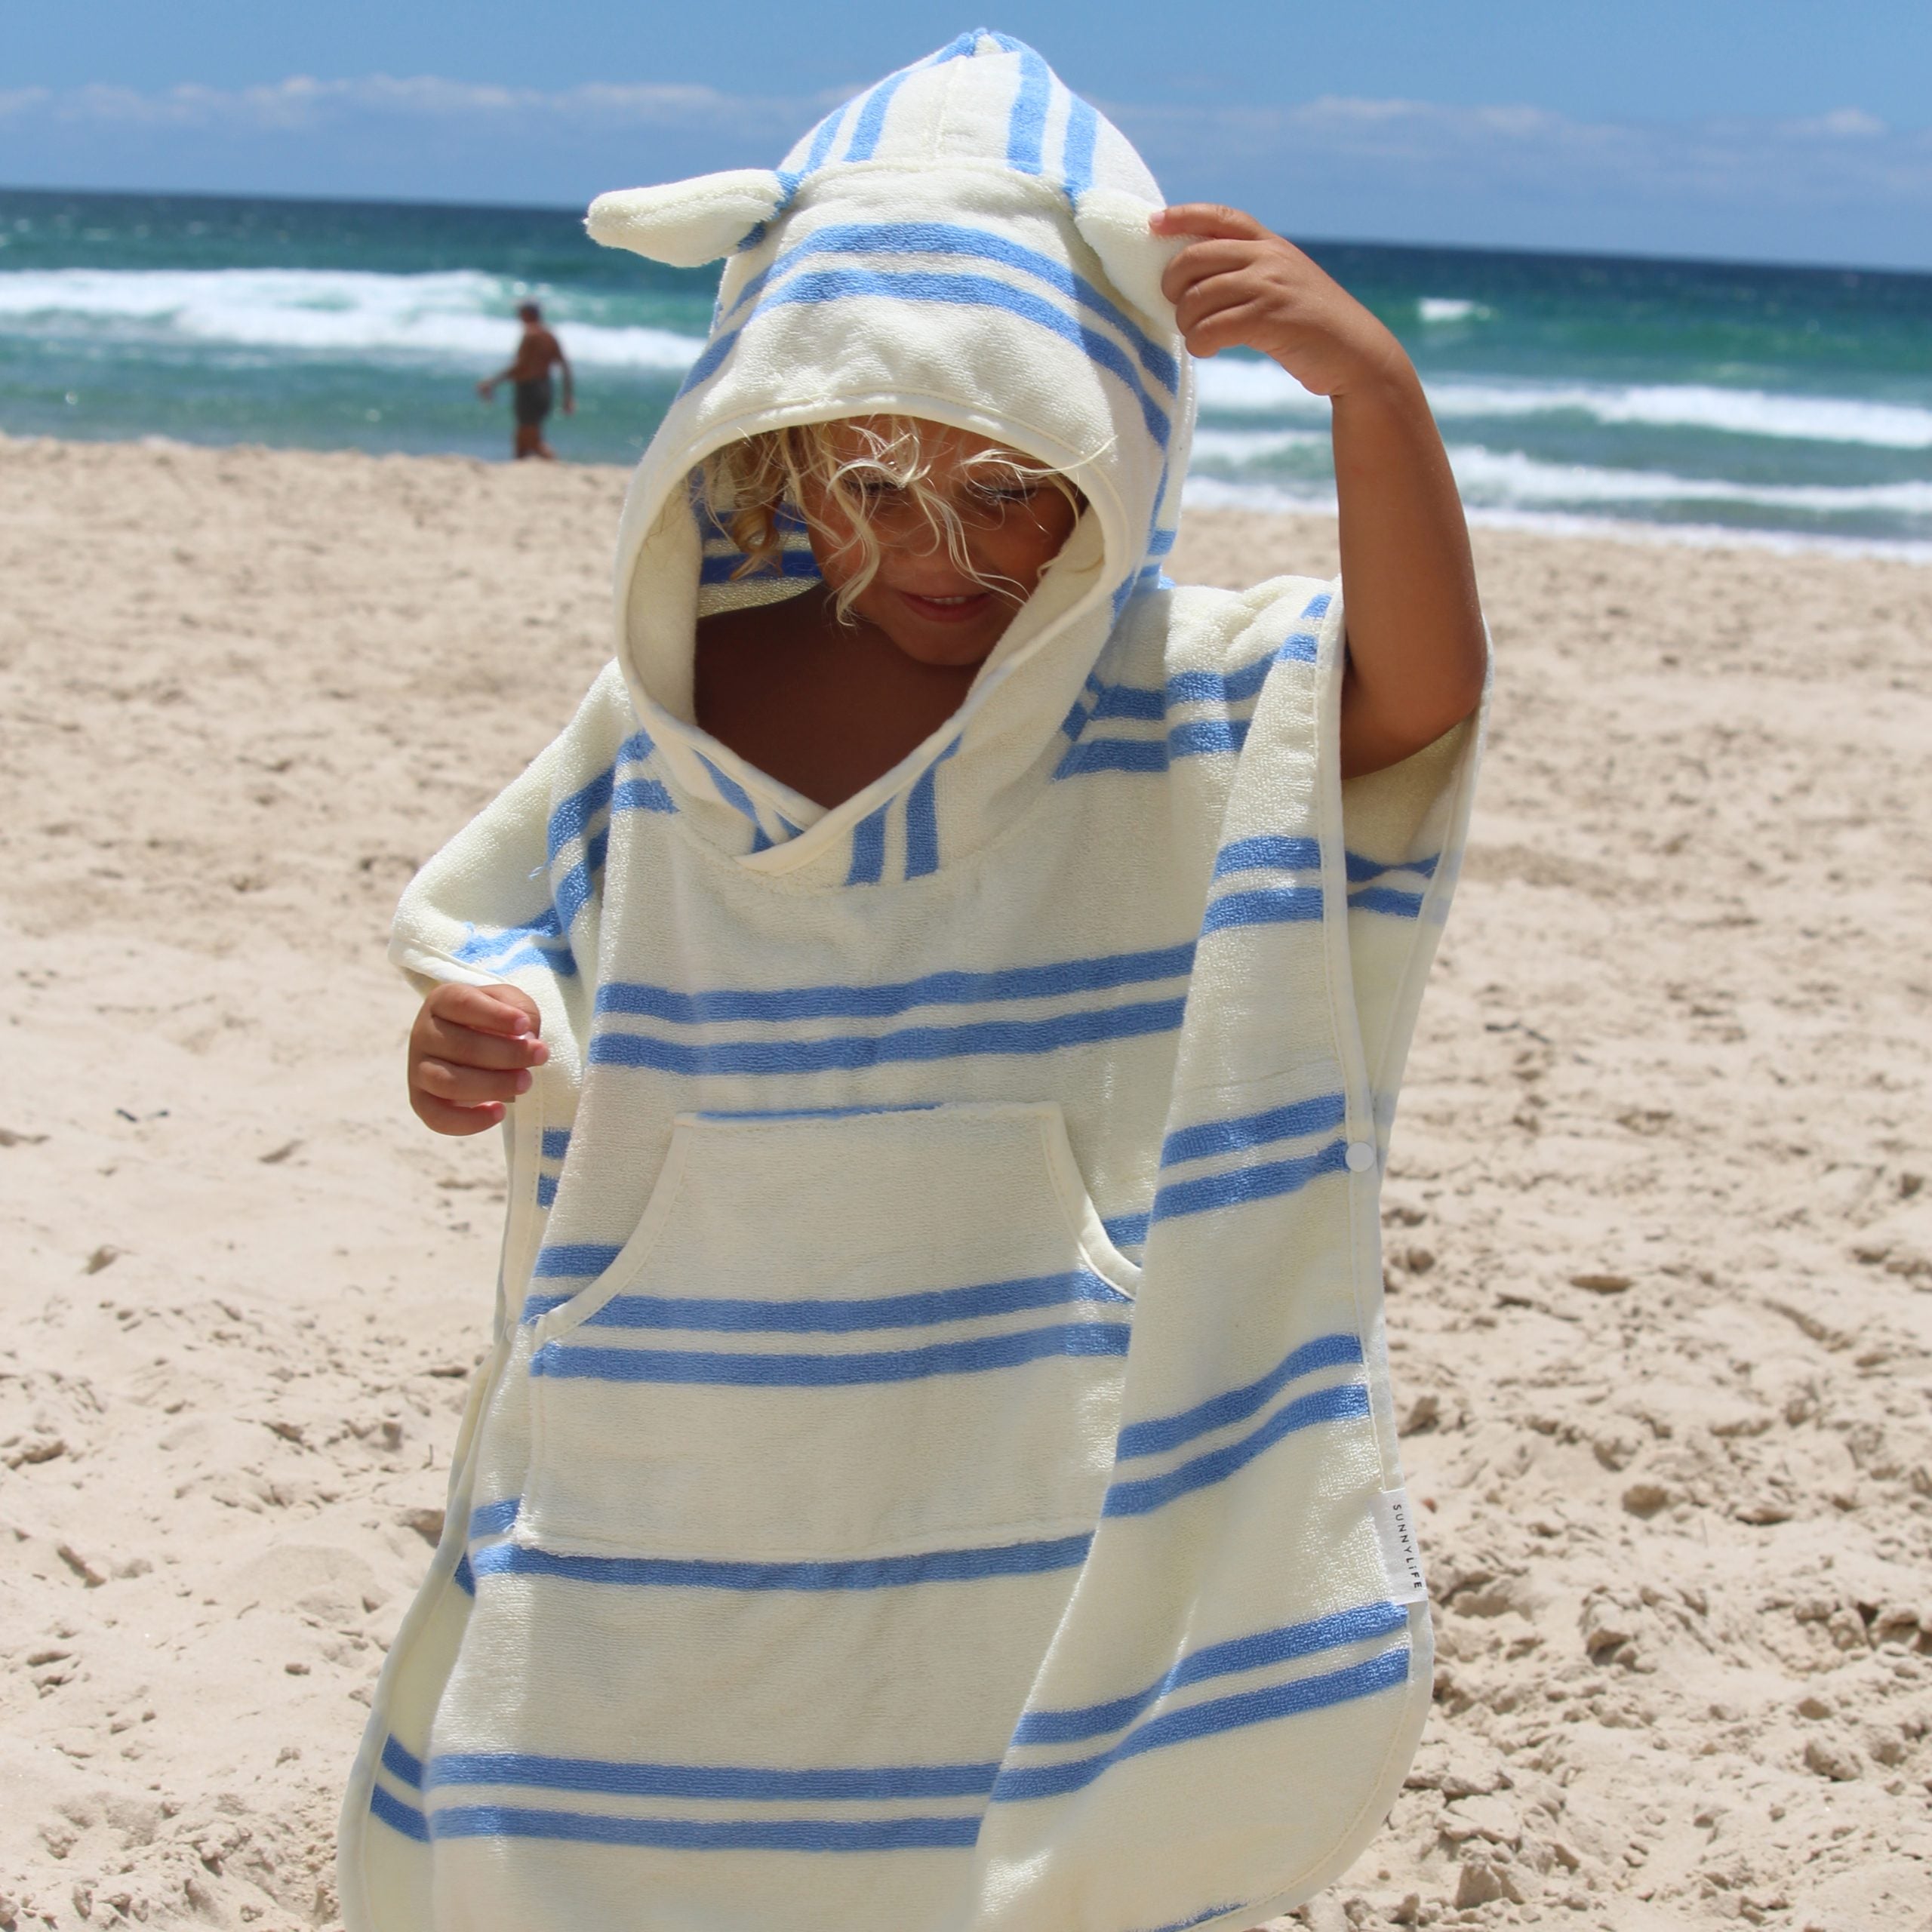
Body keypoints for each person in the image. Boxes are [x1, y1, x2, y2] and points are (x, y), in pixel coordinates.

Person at [341, 34, 1484, 1932]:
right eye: (877, 483)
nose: (946, 551)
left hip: (1013, 1395)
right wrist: (468, 1043)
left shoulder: (1167, 693)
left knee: (972, 1788)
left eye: (1016, 490)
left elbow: (1411, 702)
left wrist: (1375, 394)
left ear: (1113, 456)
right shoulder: (657, 712)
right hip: (685, 1391)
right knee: (602, 1802)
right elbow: (519, 947)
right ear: (771, 444)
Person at [476, 300, 574, 459]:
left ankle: (554, 463)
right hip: (545, 388)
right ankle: (521, 467)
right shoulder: (550, 336)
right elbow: (565, 367)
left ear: (527, 314)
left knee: (531, 440)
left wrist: (492, 382)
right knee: (523, 438)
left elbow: (520, 366)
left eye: (520, 313)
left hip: (529, 390)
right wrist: (568, 397)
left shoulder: (530, 335)